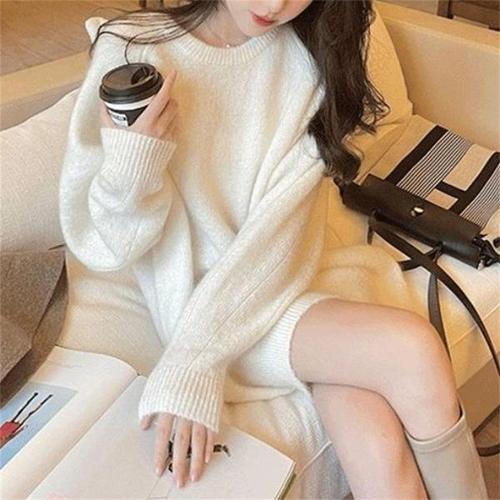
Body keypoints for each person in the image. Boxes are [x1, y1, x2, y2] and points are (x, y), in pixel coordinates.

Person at [59, 0, 488, 497]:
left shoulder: (306, 63)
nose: (274, 5)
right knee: (412, 352)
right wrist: (134, 162)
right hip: (201, 308)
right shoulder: (131, 51)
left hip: (284, 275)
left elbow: (276, 237)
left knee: (380, 452)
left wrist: (195, 359)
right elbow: (104, 247)